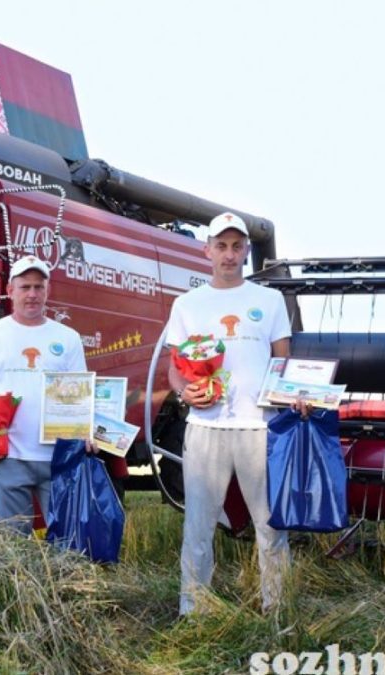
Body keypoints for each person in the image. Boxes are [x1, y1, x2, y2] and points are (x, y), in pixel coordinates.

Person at [165, 212, 295, 615]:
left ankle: (277, 610)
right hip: (206, 427)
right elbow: (174, 366)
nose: (229, 254)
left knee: (270, 526)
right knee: (198, 526)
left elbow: (284, 363)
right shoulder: (187, 304)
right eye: (220, 245)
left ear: (246, 251)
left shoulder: (269, 300)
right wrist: (186, 392)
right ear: (207, 251)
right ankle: (194, 610)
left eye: (237, 246)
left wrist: (295, 395)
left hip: (259, 426)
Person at [0, 255, 88, 534]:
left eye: (39, 287)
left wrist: (87, 434)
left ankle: (64, 580)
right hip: (8, 456)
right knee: (15, 544)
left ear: (48, 291)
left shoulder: (68, 338)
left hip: (57, 456)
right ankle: (20, 580)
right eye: (25, 287)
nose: (32, 294)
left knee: (66, 540)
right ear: (10, 291)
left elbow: (78, 396)